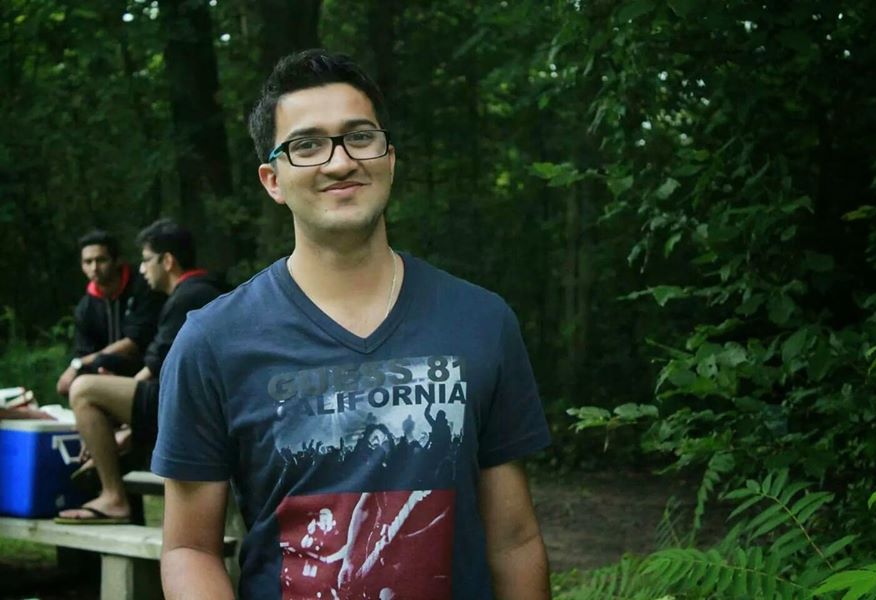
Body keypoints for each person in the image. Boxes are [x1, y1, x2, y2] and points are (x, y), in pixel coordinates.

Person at [152, 49, 551, 599]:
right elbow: (190, 549)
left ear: (390, 158)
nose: (340, 162)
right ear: (272, 179)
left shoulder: (481, 322)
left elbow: (514, 540)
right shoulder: (213, 342)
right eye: (307, 145)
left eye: (360, 137)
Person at [56, 219, 224, 524]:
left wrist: (120, 408)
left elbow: (158, 364)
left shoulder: (190, 296)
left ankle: (113, 497)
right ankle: (113, 461)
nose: (142, 269)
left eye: (147, 260)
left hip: (194, 410)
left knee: (84, 390)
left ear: (167, 261)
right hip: (197, 405)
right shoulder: (201, 290)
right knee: (103, 396)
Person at [56, 229, 165, 396]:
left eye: (101, 260)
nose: (94, 268)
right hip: (105, 370)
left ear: (117, 260)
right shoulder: (85, 307)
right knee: (71, 383)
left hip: (150, 370)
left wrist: (80, 363)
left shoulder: (144, 286)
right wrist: (79, 368)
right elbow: (84, 351)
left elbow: (135, 341)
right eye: (88, 262)